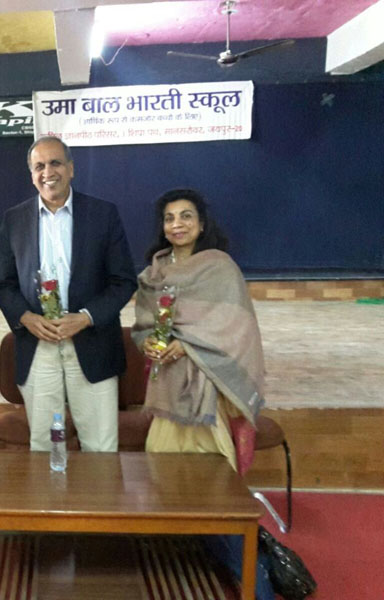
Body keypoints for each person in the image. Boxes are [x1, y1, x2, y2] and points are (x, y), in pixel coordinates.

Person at [132, 188, 274, 599]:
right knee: (163, 478)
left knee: (215, 491)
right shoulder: (154, 273)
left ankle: (256, 582)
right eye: (169, 218)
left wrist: (186, 346)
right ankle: (181, 570)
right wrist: (149, 343)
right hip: (167, 392)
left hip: (207, 393)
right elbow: (144, 327)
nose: (177, 225)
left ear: (201, 223)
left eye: (186, 216)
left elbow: (235, 328)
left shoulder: (219, 268)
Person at [0, 136, 137, 452]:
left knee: (100, 449)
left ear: (71, 168)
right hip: (38, 346)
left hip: (92, 343)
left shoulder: (103, 215)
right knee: (46, 448)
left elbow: (124, 281)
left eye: (55, 163)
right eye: (39, 166)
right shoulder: (14, 220)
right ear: (32, 174)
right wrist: (26, 318)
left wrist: (85, 318)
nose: (48, 172)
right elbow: (3, 286)